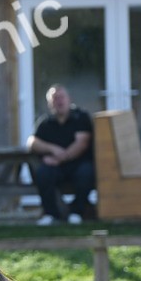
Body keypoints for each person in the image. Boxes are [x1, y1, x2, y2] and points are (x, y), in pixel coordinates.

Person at [27, 84, 96, 225]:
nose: (59, 101)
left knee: (87, 172)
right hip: (55, 167)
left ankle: (77, 212)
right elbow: (32, 143)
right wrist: (52, 149)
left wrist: (60, 158)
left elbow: (82, 143)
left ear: (69, 99)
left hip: (78, 164)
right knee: (42, 173)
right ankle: (51, 214)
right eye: (55, 98)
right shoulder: (46, 122)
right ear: (49, 103)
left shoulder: (81, 117)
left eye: (61, 97)